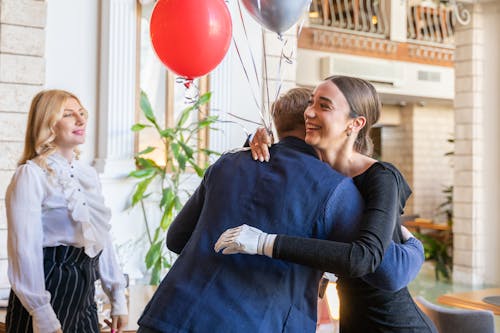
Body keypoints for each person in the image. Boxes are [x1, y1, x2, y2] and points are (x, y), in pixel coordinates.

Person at [137, 88, 423, 333]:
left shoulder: (228, 163)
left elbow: (176, 239)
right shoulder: (334, 189)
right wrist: (414, 245)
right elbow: (389, 270)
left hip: (169, 316)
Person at [216, 76, 437, 332]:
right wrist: (257, 145)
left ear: (355, 124)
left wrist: (264, 242)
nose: (308, 112)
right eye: (311, 104)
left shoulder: (381, 177)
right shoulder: (319, 174)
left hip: (398, 326)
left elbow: (365, 258)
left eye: (324, 106)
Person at [5, 90, 128, 333]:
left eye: (82, 113)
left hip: (84, 287)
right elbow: (24, 250)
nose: (81, 121)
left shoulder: (88, 175)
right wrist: (41, 312)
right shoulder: (31, 175)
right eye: (69, 114)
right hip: (47, 287)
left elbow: (102, 238)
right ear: (47, 122)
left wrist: (117, 296)